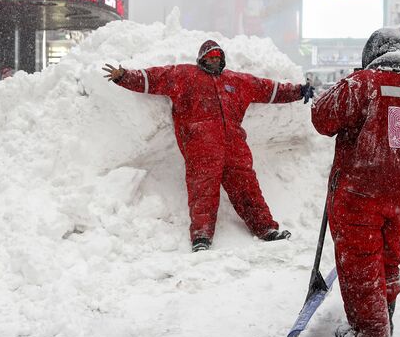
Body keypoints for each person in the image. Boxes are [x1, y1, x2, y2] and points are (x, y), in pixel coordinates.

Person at [103, 40, 313, 252]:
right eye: (210, 57)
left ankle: (265, 228)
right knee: (202, 191)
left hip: (234, 146)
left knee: (247, 189)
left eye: (217, 57)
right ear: (201, 58)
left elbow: (267, 89)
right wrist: (124, 76)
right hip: (200, 147)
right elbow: (155, 78)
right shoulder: (185, 75)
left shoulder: (236, 81)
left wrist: (298, 91)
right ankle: (201, 236)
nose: (214, 60)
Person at [311, 29, 400, 337]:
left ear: (371, 54)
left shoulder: (363, 84)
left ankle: (372, 334)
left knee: (360, 260)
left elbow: (321, 117)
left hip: (360, 194)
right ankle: (386, 315)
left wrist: (351, 82)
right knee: (387, 256)